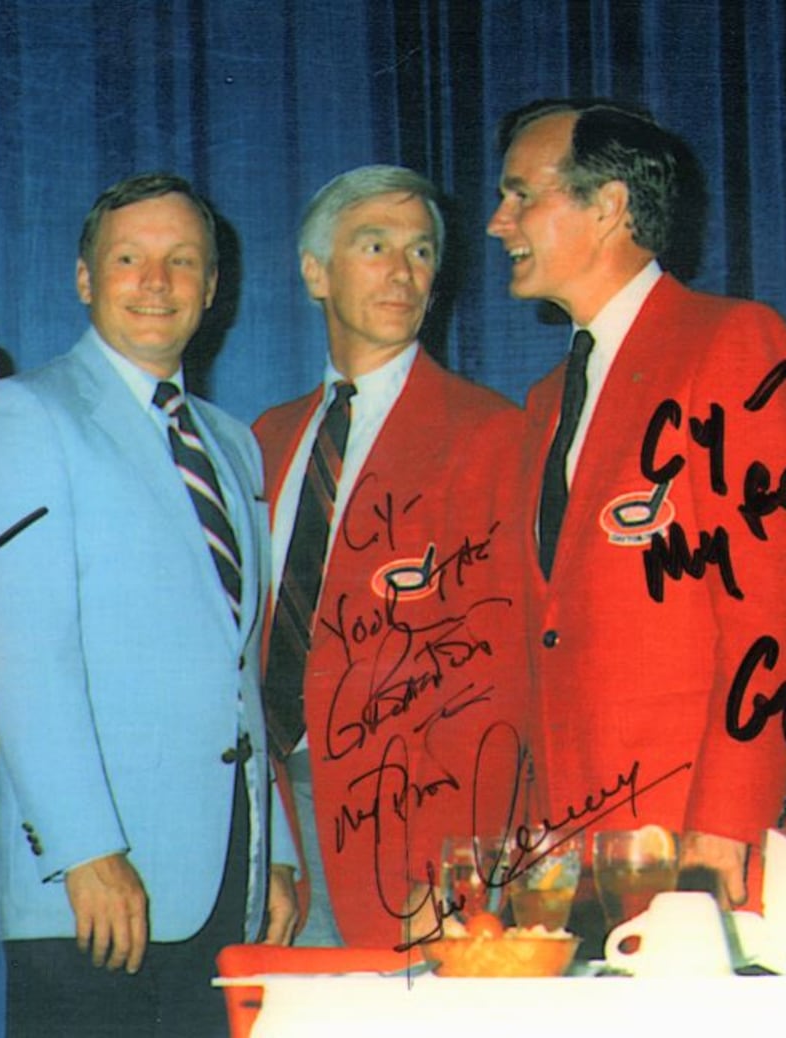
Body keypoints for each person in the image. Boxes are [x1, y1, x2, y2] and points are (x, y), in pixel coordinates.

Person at [486, 100, 786, 919]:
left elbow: (777, 616)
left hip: (715, 846)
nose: (495, 222)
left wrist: (725, 833)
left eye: (519, 195)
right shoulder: (547, 401)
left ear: (608, 205)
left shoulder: (733, 343)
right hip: (592, 859)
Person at [0, 172, 298, 1037]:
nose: (156, 282)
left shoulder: (232, 446)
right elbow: (23, 655)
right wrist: (87, 850)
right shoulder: (25, 413)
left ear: (212, 288)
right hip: (95, 884)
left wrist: (275, 853)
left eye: (181, 261)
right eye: (129, 258)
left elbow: (243, 669)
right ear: (85, 278)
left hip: (224, 877)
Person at [255, 165, 527, 949]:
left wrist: (457, 869)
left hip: (410, 841)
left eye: (420, 251)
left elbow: (496, 684)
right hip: (274, 835)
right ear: (316, 272)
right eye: (375, 246)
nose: (403, 272)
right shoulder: (267, 439)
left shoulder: (486, 435)